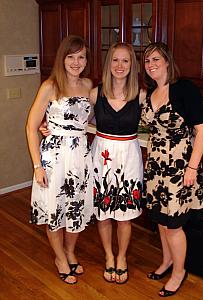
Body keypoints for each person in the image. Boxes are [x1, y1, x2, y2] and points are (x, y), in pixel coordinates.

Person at [141, 42, 203, 297]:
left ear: (168, 61)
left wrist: (192, 167)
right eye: (147, 61)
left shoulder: (184, 89)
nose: (152, 65)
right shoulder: (150, 91)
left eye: (156, 59)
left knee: (174, 224)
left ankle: (179, 271)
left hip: (179, 168)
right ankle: (167, 261)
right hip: (156, 166)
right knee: (160, 218)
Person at [26, 35, 94, 284]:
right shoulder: (50, 86)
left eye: (81, 57)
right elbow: (31, 126)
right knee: (56, 209)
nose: (76, 62)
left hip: (80, 157)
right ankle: (59, 257)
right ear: (62, 59)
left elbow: (90, 121)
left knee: (75, 208)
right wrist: (37, 165)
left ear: (86, 60)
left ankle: (70, 251)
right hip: (54, 158)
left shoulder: (88, 85)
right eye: (71, 57)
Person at [89, 42, 146, 284]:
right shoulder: (95, 93)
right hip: (101, 155)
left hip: (129, 156)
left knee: (124, 215)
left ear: (132, 64)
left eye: (125, 60)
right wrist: (50, 127)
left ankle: (121, 257)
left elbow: (162, 123)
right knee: (103, 214)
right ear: (108, 63)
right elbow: (80, 120)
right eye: (115, 60)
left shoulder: (141, 95)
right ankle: (109, 256)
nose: (120, 65)